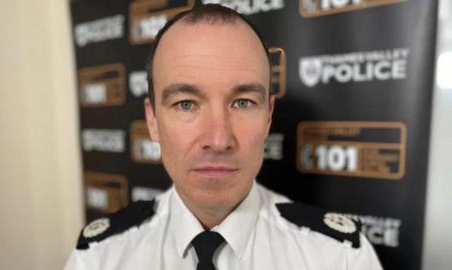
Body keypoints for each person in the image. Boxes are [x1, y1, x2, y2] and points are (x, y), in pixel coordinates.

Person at [64, 4, 383, 270]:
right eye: (186, 104)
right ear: (152, 120)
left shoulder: (340, 259)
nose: (218, 140)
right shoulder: (98, 259)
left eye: (243, 103)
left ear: (268, 116)